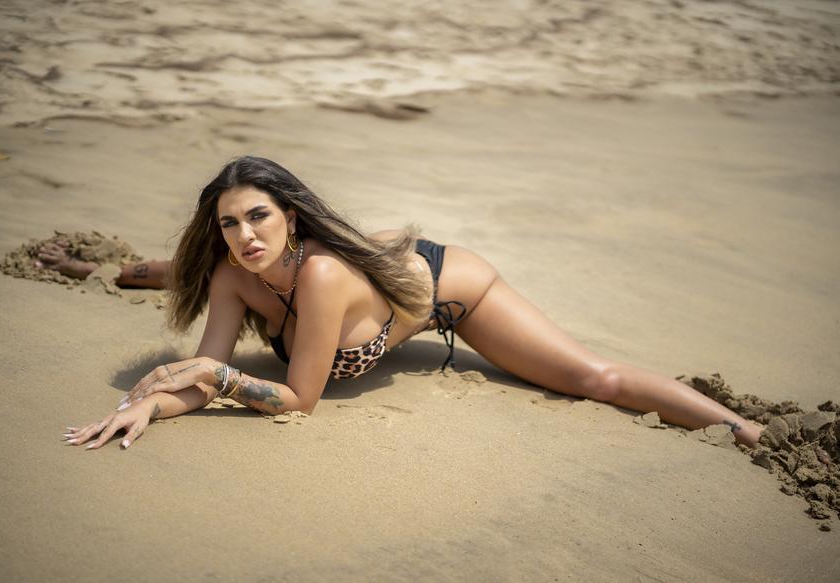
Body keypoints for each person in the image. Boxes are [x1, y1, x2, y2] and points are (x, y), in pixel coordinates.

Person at [60, 156, 764, 451]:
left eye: (259, 216)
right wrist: (151, 405)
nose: (244, 235)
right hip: (359, 273)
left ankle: (748, 430)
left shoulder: (322, 274)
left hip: (446, 287)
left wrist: (213, 377)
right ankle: (110, 266)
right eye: (229, 223)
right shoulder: (229, 270)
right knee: (179, 272)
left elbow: (298, 399)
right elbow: (203, 367)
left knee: (594, 379)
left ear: (290, 216)